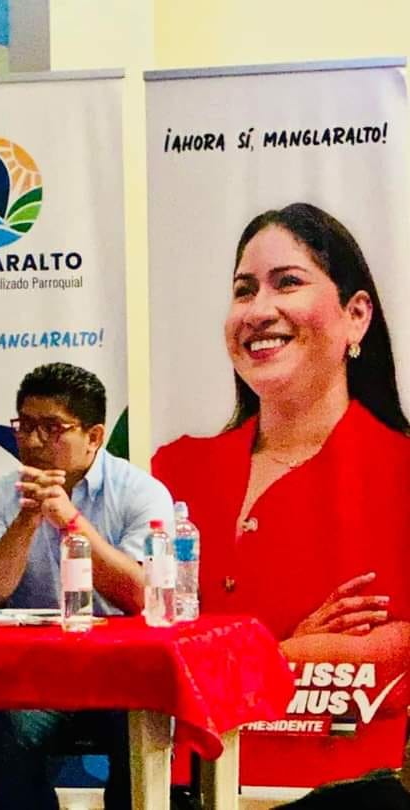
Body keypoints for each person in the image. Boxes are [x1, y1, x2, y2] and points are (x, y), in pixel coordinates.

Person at [152, 202, 410, 785]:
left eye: (287, 282)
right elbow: (147, 653)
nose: (258, 310)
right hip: (181, 784)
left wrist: (226, 658)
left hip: (336, 791)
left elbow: (387, 664)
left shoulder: (398, 473)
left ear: (356, 316)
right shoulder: (177, 469)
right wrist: (290, 649)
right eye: (243, 290)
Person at [0, 363, 172, 810]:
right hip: (36, 674)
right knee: (8, 730)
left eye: (52, 428)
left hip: (124, 674)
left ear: (94, 436)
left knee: (142, 729)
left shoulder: (142, 493)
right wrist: (27, 519)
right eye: (25, 426)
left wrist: (70, 521)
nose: (33, 442)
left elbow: (142, 598)